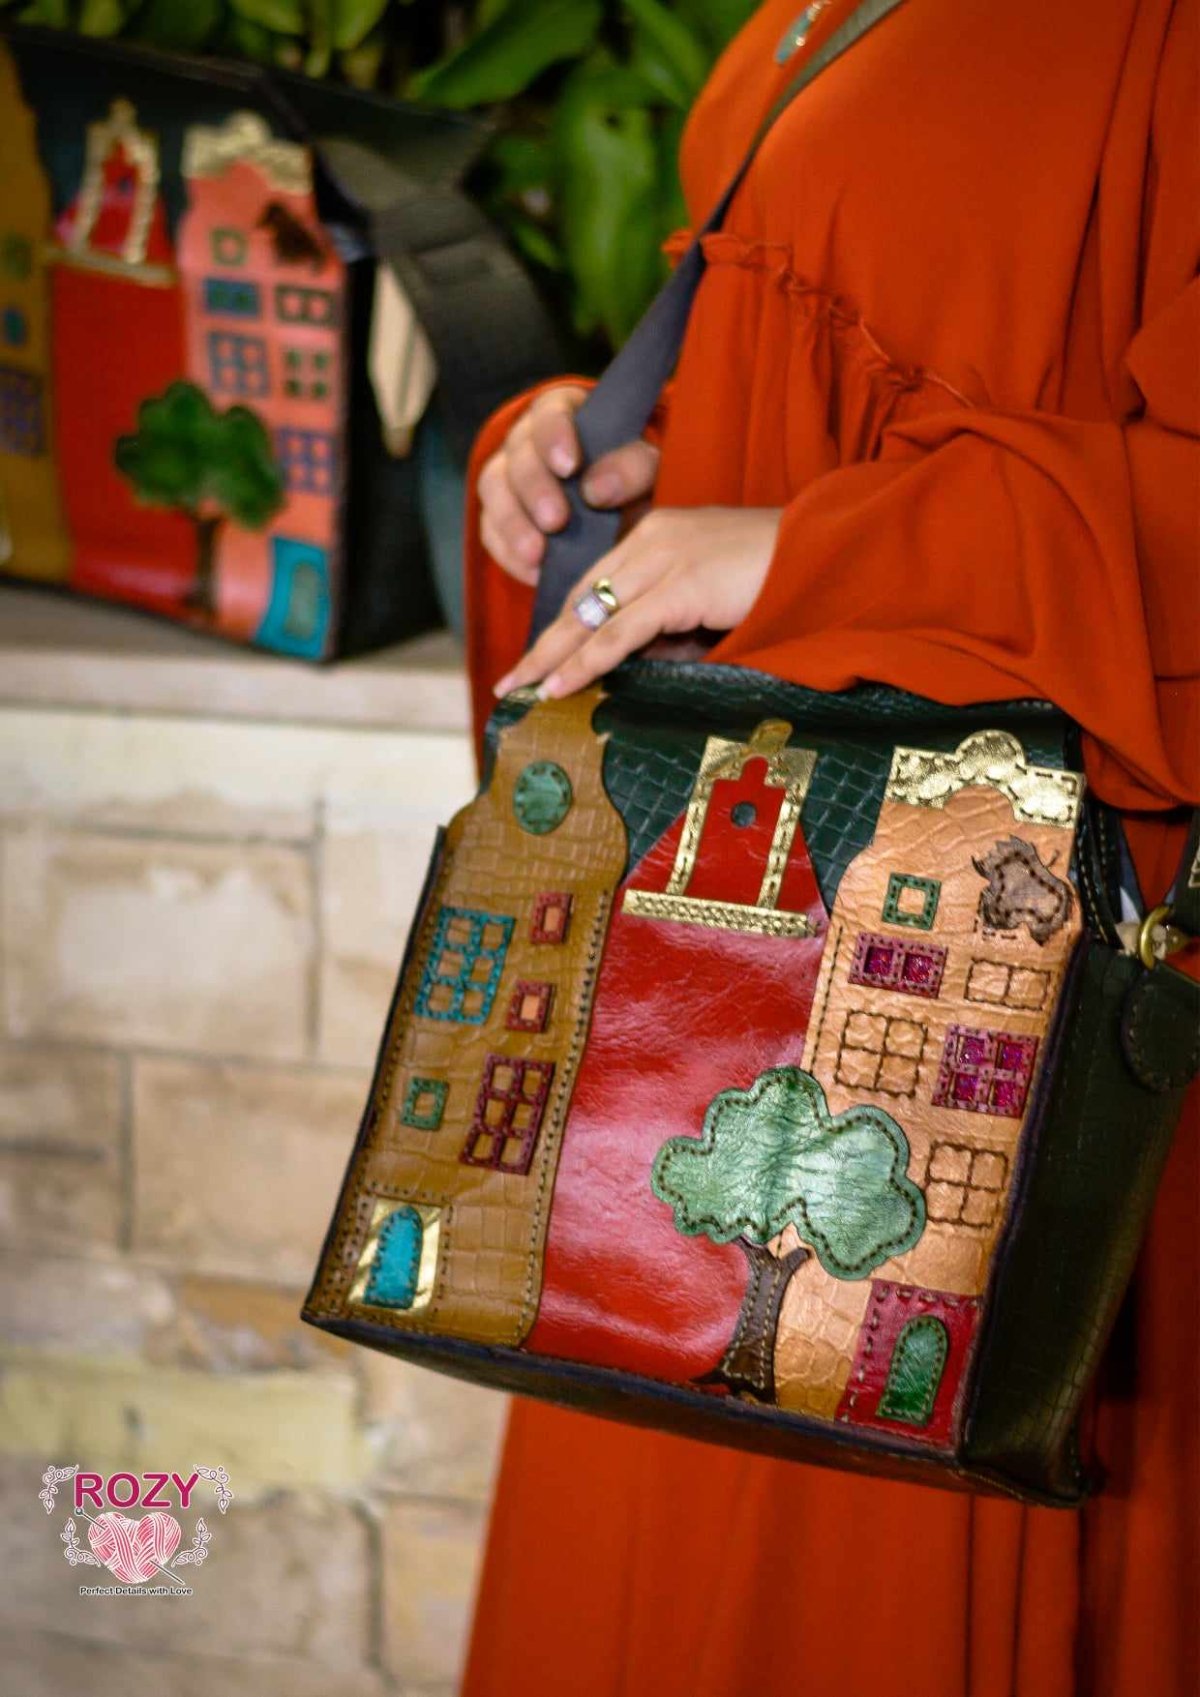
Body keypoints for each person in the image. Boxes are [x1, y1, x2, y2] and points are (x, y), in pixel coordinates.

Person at [458, 0, 1199, 1691]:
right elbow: (812, 375)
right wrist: (611, 459)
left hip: (971, 988)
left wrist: (807, 548)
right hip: (705, 1000)